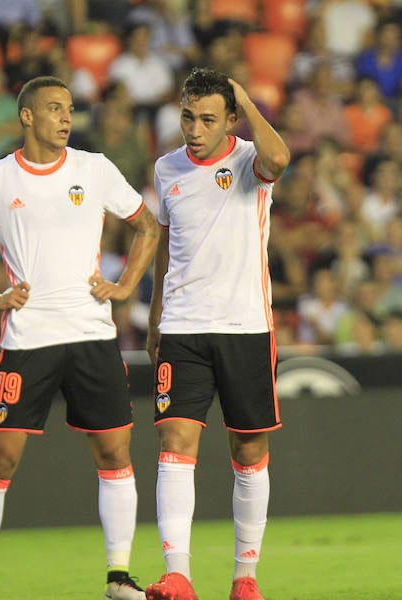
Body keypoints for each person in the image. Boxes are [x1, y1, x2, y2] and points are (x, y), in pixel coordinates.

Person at [0, 75, 160, 600]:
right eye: (55, 108)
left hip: (91, 335)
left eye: (71, 109)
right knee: (0, 458)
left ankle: (119, 578)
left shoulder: (94, 169)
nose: (66, 117)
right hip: (28, 339)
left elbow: (148, 225)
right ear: (27, 116)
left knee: (115, 453)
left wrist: (125, 284)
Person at [145, 67, 291, 600]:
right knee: (174, 442)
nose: (194, 129)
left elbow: (281, 159)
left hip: (246, 325)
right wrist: (157, 315)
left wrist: (247, 100)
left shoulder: (250, 160)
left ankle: (244, 578)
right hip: (183, 326)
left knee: (248, 451)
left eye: (208, 118)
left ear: (230, 120)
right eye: (188, 116)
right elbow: (166, 243)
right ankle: (177, 574)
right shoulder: (166, 169)